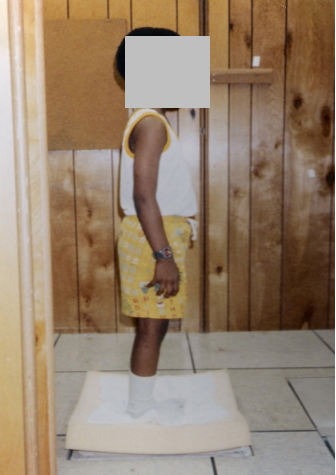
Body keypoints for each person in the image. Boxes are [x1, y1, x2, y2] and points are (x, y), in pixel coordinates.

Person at [115, 27, 198, 419]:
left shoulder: (152, 120)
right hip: (152, 237)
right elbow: (143, 195)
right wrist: (162, 254)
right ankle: (139, 409)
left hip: (158, 233)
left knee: (158, 321)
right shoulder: (150, 123)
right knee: (151, 325)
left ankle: (142, 400)